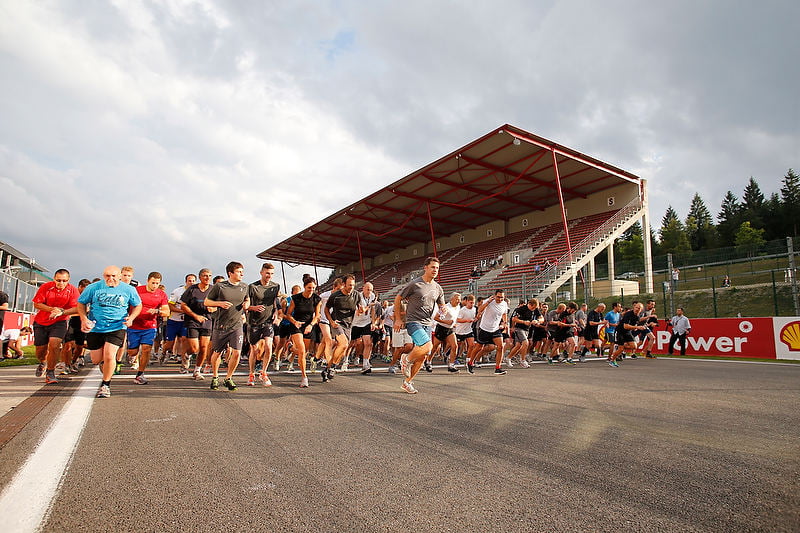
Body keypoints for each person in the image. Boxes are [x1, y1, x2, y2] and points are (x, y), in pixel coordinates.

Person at [77, 265, 142, 398]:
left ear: (120, 276)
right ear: (103, 275)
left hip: (117, 326)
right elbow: (81, 303)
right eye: (107, 276)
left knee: (109, 355)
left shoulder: (128, 289)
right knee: (96, 359)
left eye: (113, 276)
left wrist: (131, 318)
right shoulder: (94, 288)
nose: (110, 279)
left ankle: (105, 385)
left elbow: (138, 305)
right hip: (96, 327)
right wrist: (84, 319)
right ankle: (104, 364)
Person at [393, 257, 446, 394]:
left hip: (427, 324)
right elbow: (398, 298)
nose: (435, 270)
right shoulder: (415, 284)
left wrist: (443, 309)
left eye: (437, 268)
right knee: (428, 346)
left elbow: (441, 305)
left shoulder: (438, 288)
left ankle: (407, 382)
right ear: (425, 268)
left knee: (423, 356)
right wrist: (398, 319)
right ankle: (406, 358)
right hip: (413, 322)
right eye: (433, 267)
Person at [204, 261, 249, 391]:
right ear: (230, 273)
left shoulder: (244, 286)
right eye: (239, 271)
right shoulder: (220, 287)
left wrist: (246, 304)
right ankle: (215, 376)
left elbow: (247, 298)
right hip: (221, 325)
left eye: (242, 271)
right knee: (217, 353)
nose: (242, 274)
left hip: (237, 325)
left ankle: (228, 378)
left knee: (237, 353)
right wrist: (220, 304)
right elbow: (207, 302)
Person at [32, 269, 80, 384]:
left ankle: (50, 372)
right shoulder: (46, 287)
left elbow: (78, 308)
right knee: (41, 350)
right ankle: (43, 362)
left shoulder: (72, 290)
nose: (61, 283)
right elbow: (37, 303)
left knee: (54, 344)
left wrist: (61, 312)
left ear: (68, 280)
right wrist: (52, 310)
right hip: (41, 322)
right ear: (54, 279)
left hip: (60, 322)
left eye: (64, 281)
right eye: (58, 280)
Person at [128, 272, 170, 384]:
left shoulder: (161, 294)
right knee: (132, 352)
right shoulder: (137, 290)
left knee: (146, 349)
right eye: (153, 283)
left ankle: (140, 374)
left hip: (149, 326)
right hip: (134, 325)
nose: (154, 285)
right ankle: (132, 356)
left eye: (157, 283)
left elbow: (167, 311)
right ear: (147, 281)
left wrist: (158, 311)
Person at [246, 263, 281, 387]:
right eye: (267, 273)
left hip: (268, 322)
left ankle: (264, 373)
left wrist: (276, 313)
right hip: (254, 322)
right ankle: (251, 374)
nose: (269, 276)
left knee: (268, 346)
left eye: (271, 274)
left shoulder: (275, 286)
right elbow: (245, 305)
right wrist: (253, 307)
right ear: (261, 272)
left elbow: (275, 302)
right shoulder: (252, 287)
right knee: (254, 350)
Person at [324, 274, 364, 382]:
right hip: (337, 323)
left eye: (353, 285)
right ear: (343, 284)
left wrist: (361, 310)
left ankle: (327, 369)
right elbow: (326, 309)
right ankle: (333, 367)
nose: (351, 287)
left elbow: (361, 308)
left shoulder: (356, 295)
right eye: (349, 285)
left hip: (348, 325)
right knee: (344, 344)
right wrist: (331, 322)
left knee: (343, 348)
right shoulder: (336, 295)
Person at [284, 276, 321, 388]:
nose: (311, 290)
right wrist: (295, 322)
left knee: (304, 352)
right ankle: (304, 377)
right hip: (296, 325)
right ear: (304, 287)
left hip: (308, 326)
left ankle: (290, 348)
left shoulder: (316, 299)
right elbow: (288, 314)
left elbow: (317, 315)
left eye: (313, 288)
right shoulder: (296, 298)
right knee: (301, 349)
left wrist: (310, 325)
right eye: (309, 287)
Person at [466, 288, 510, 375]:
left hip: (495, 329)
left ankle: (498, 368)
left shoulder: (504, 304)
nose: (500, 299)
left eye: (502, 297)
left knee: (500, 346)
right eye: (498, 297)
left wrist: (504, 323)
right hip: (485, 328)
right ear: (494, 296)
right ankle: (470, 362)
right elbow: (479, 310)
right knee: (479, 347)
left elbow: (504, 314)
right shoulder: (489, 301)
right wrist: (488, 302)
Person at [181, 269, 214, 379]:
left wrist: (213, 308)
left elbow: (220, 304)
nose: (207, 278)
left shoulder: (214, 290)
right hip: (193, 320)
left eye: (209, 276)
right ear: (200, 277)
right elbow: (183, 305)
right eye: (205, 276)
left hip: (207, 320)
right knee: (195, 348)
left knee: (204, 347)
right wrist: (195, 316)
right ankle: (187, 354)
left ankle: (197, 370)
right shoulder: (192, 289)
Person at [162, 274, 196, 364]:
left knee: (184, 340)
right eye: (189, 281)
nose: (191, 283)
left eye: (193, 281)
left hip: (186, 321)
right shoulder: (177, 291)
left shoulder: (196, 291)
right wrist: (183, 310)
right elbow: (170, 305)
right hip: (174, 320)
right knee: (170, 343)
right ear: (186, 282)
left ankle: (183, 360)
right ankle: (163, 352)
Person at [428, 292, 461, 373]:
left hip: (450, 329)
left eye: (459, 300)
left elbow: (454, 317)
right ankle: (428, 362)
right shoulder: (445, 307)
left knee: (455, 346)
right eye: (457, 299)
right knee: (435, 347)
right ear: (451, 299)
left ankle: (451, 365)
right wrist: (447, 322)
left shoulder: (458, 307)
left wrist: (453, 323)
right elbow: (436, 318)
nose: (458, 301)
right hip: (441, 328)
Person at [609, 301, 647, 367]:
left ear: (641, 310)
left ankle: (621, 347)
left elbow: (633, 327)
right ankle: (612, 360)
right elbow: (625, 326)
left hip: (627, 332)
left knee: (634, 346)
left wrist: (640, 328)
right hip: (620, 331)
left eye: (639, 308)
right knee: (621, 349)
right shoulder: (628, 314)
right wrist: (637, 327)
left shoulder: (637, 317)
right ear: (634, 307)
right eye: (636, 307)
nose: (637, 309)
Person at [506, 299, 539, 368]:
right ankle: (523, 360)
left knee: (518, 346)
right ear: (529, 304)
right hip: (519, 328)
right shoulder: (521, 309)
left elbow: (541, 318)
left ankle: (508, 358)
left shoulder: (535, 309)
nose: (533, 309)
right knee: (525, 343)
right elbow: (514, 319)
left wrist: (537, 321)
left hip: (527, 329)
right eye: (532, 307)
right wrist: (523, 322)